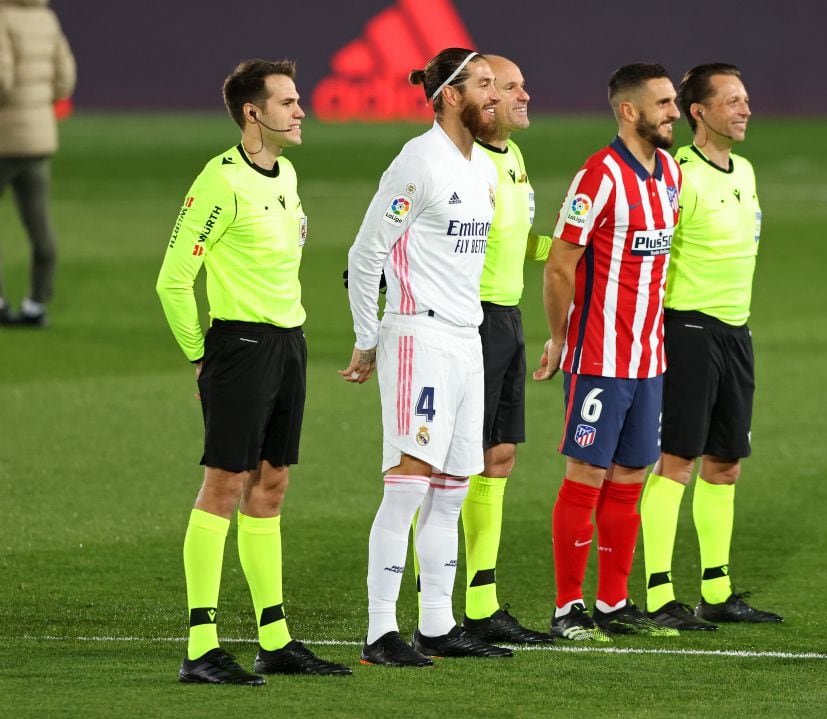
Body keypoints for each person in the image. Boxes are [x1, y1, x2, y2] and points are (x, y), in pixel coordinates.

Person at [156, 59, 351, 685]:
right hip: (239, 347)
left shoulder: (286, 174)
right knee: (223, 486)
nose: (300, 111)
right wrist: (199, 355)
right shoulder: (219, 182)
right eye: (288, 102)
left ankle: (275, 639)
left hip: (288, 343)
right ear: (253, 114)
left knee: (271, 486)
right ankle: (200, 646)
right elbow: (173, 281)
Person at [340, 47, 513, 666]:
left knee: (452, 488)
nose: (494, 96)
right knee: (410, 484)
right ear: (448, 95)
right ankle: (380, 631)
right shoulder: (419, 163)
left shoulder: (481, 169)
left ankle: (436, 626)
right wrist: (368, 337)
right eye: (484, 85)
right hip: (419, 336)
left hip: (467, 341)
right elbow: (365, 255)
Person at [534, 63, 682, 641]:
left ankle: (614, 602)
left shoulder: (669, 172)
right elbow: (558, 267)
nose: (673, 112)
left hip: (649, 358)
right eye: (664, 103)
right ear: (629, 111)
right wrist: (561, 338)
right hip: (598, 357)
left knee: (631, 476)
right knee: (586, 475)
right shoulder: (597, 177)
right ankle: (568, 607)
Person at [639, 63, 782, 629]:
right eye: (732, 101)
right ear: (698, 112)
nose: (745, 108)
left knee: (725, 464)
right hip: (688, 330)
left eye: (746, 98)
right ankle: (657, 594)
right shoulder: (676, 175)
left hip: (736, 332)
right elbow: (645, 253)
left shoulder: (744, 170)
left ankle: (717, 592)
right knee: (677, 461)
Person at [456, 54, 553, 645]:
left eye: (520, 84)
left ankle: (482, 602)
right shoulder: (458, 163)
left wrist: (567, 249)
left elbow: (514, 241)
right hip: (467, 322)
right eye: (508, 87)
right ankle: (439, 605)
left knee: (500, 457)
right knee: (451, 468)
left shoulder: (511, 158)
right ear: (481, 97)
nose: (523, 95)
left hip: (507, 317)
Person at [0, 0, 75, 328]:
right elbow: (65, 77)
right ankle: (35, 304)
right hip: (39, 137)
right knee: (40, 225)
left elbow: (2, 78)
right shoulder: (47, 18)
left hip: (3, 136)